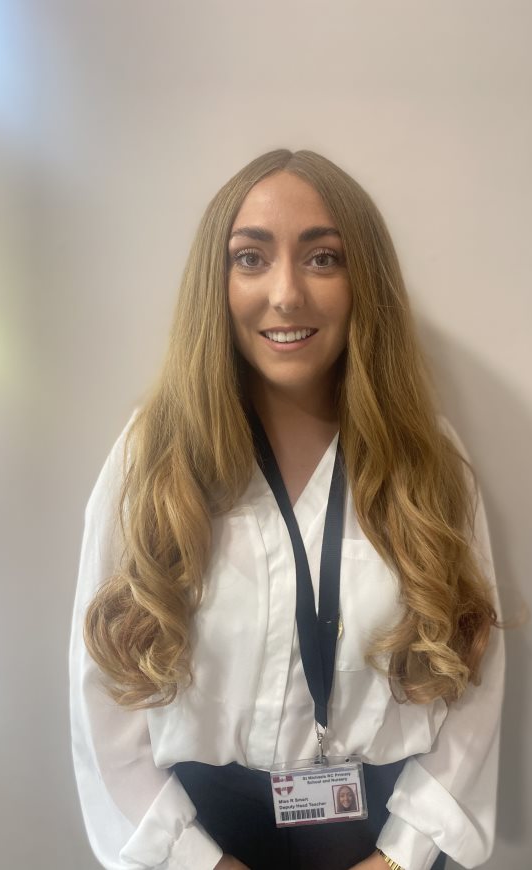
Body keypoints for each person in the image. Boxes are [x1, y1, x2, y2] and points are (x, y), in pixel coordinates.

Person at [70, 149, 505, 870]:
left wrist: (402, 854)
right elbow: (102, 694)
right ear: (216, 283)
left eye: (322, 258)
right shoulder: (153, 454)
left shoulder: (427, 459)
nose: (286, 294)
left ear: (364, 281)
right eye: (250, 258)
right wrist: (194, 861)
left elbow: (475, 681)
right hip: (200, 841)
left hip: (383, 839)